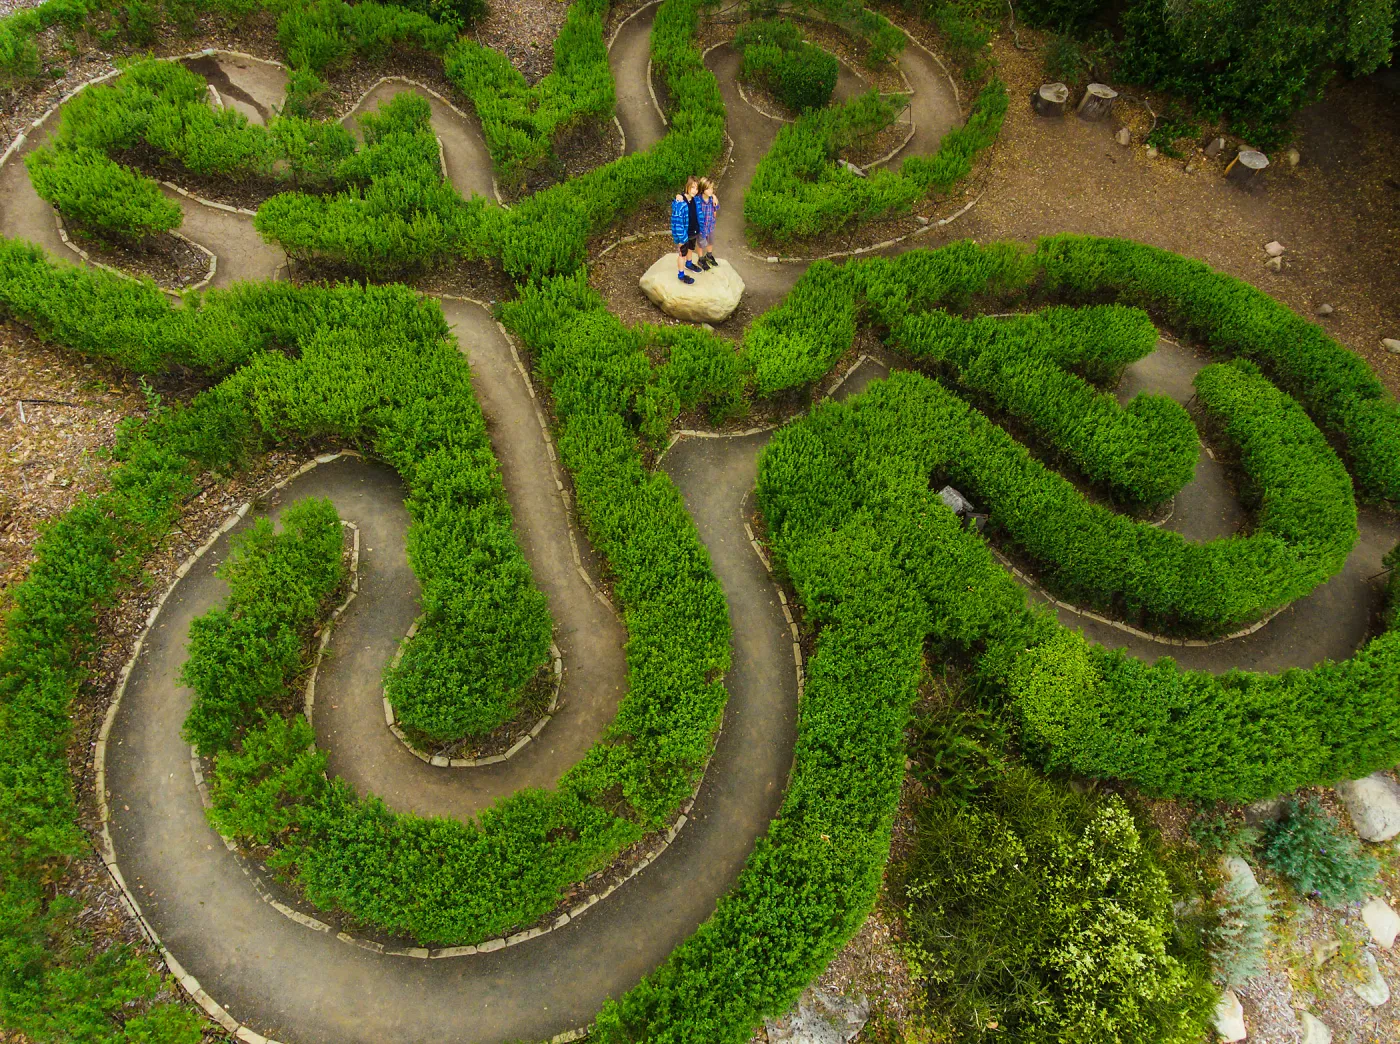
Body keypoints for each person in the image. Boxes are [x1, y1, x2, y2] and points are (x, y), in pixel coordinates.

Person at [670, 177, 702, 284]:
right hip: (684, 235)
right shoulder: (680, 203)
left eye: (696, 189)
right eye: (692, 187)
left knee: (691, 249)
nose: (694, 191)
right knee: (682, 254)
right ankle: (681, 274)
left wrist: (714, 198)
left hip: (693, 231)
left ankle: (689, 263)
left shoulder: (695, 200)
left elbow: (707, 195)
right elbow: (677, 223)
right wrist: (681, 238)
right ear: (686, 187)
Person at [696, 178, 720, 270]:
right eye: (708, 189)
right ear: (702, 189)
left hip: (710, 225)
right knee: (701, 243)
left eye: (712, 188)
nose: (711, 191)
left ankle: (709, 256)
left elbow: (715, 210)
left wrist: (714, 220)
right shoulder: (697, 200)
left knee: (710, 241)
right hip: (701, 227)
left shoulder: (712, 199)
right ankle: (701, 259)